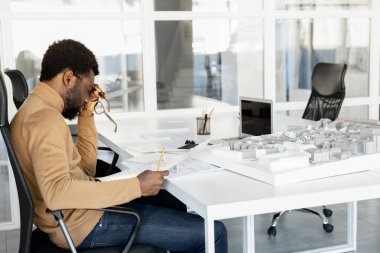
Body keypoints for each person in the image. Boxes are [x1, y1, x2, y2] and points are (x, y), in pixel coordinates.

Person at [10, 39, 227, 252]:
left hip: (77, 215)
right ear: (69, 78)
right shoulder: (46, 120)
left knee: (171, 201)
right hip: (83, 224)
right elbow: (57, 193)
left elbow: (85, 170)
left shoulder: (33, 110)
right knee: (213, 233)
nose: (88, 94)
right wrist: (137, 186)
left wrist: (86, 112)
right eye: (87, 87)